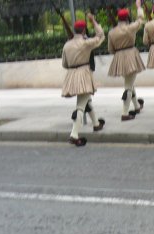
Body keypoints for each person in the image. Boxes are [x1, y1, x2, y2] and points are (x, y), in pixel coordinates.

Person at [61, 14, 105, 147]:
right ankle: (74, 134)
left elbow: (64, 64)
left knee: (86, 101)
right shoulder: (86, 43)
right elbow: (101, 36)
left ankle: (96, 124)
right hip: (84, 74)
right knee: (80, 105)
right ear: (84, 30)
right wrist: (93, 20)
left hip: (71, 75)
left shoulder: (67, 45)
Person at [107, 0, 146, 121]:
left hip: (118, 57)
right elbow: (140, 19)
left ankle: (137, 106)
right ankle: (124, 113)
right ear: (127, 17)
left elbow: (110, 49)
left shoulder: (111, 32)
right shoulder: (131, 27)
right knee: (128, 86)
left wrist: (119, 54)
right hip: (130, 55)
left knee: (130, 83)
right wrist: (139, 7)